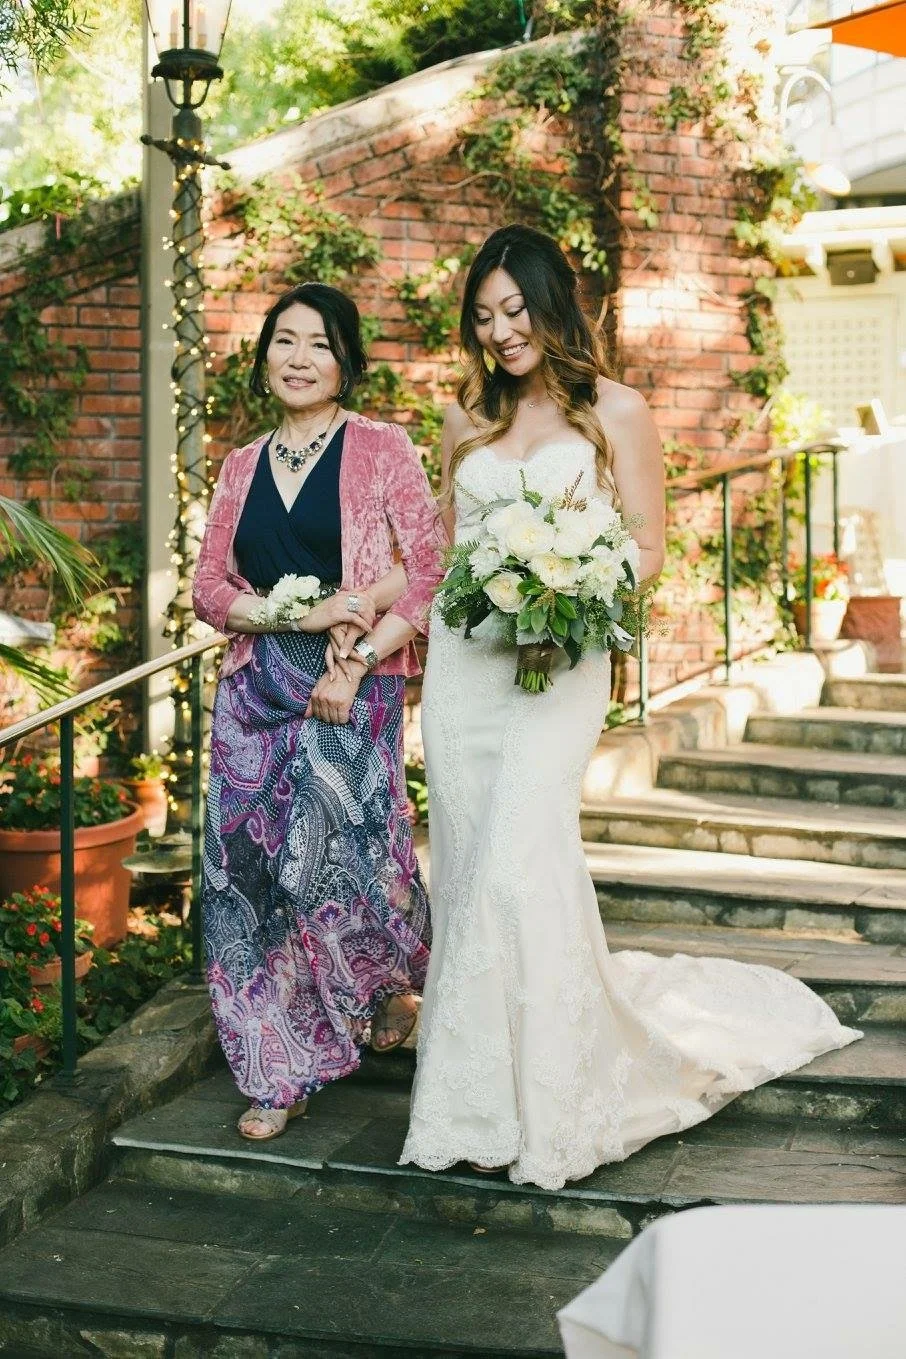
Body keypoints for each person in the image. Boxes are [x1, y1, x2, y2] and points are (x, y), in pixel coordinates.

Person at [400, 223, 860, 1190]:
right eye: (483, 317)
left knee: (521, 866)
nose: (500, 332)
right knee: (475, 867)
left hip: (559, 662)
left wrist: (566, 589)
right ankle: (475, 1103)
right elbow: (451, 553)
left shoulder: (617, 410)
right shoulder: (462, 418)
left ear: (552, 305)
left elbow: (645, 546)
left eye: (515, 310)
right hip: (468, 669)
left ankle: (552, 1101)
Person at [193, 282, 445, 1142]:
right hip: (254, 692)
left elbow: (429, 569)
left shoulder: (380, 447)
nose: (299, 359)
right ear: (265, 355)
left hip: (350, 686)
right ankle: (280, 1065)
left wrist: (361, 647)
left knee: (344, 871)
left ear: (346, 361)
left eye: (320, 344)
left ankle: (380, 984)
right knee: (246, 882)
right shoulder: (238, 467)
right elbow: (208, 588)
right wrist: (291, 615)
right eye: (285, 341)